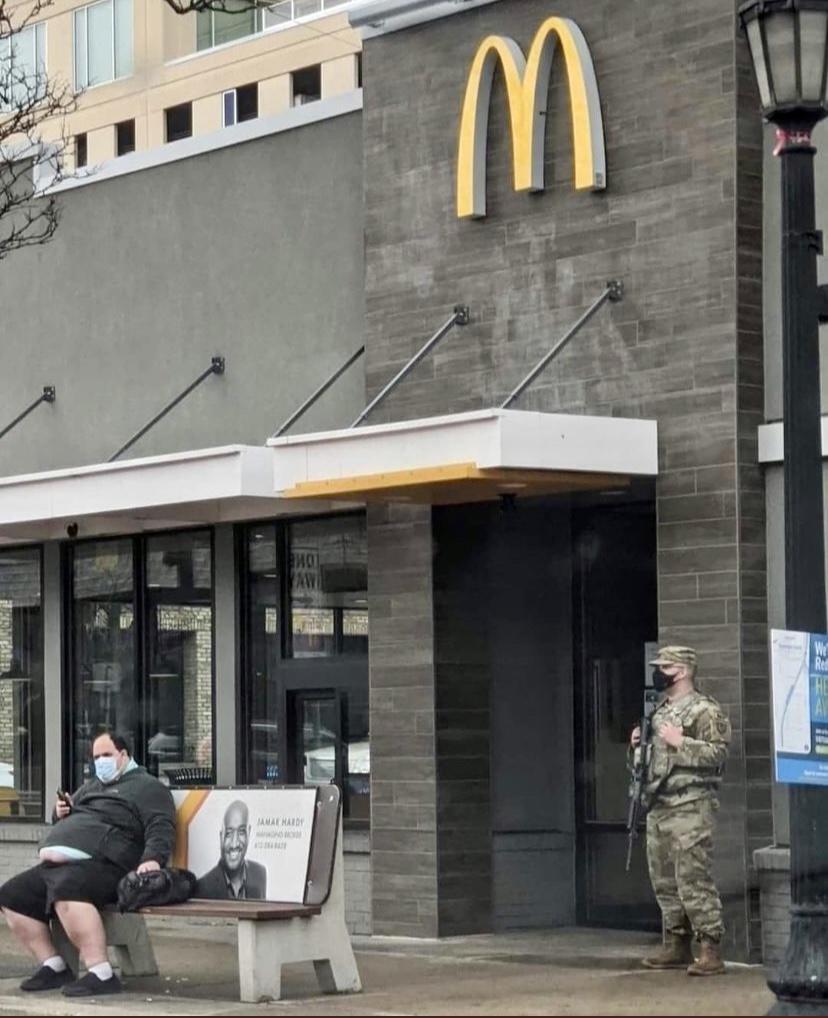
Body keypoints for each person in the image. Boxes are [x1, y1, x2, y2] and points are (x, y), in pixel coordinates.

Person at [0, 732, 175, 997]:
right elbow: (68, 820)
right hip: (65, 864)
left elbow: (160, 826)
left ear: (124, 755)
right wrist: (59, 813)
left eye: (107, 755)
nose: (100, 761)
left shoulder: (148, 787)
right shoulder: (92, 787)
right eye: (96, 757)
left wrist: (152, 859)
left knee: (67, 887)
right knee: (12, 895)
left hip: (110, 863)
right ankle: (54, 965)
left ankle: (101, 972)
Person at [630, 645, 731, 976]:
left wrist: (680, 741)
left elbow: (718, 754)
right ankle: (676, 942)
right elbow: (649, 764)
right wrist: (637, 747)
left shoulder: (705, 710)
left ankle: (710, 948)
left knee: (693, 877)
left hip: (690, 805)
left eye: (666, 667)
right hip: (659, 805)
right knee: (663, 879)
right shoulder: (659, 713)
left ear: (684, 671)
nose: (659, 673)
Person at [194, 799, 267, 900]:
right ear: (221, 837)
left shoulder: (259, 873)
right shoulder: (203, 886)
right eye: (228, 833)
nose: (234, 844)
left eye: (241, 832)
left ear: (248, 833)